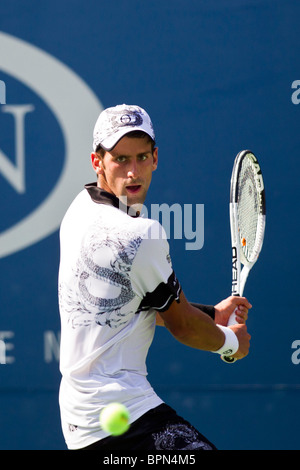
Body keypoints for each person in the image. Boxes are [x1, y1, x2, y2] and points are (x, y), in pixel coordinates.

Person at [58, 104, 251, 451]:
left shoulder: (78, 210)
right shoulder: (141, 234)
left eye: (142, 157)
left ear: (155, 157)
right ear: (97, 161)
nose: (133, 172)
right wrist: (230, 343)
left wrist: (212, 315)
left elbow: (132, 303)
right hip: (126, 417)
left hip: (80, 420)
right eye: (121, 159)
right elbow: (183, 327)